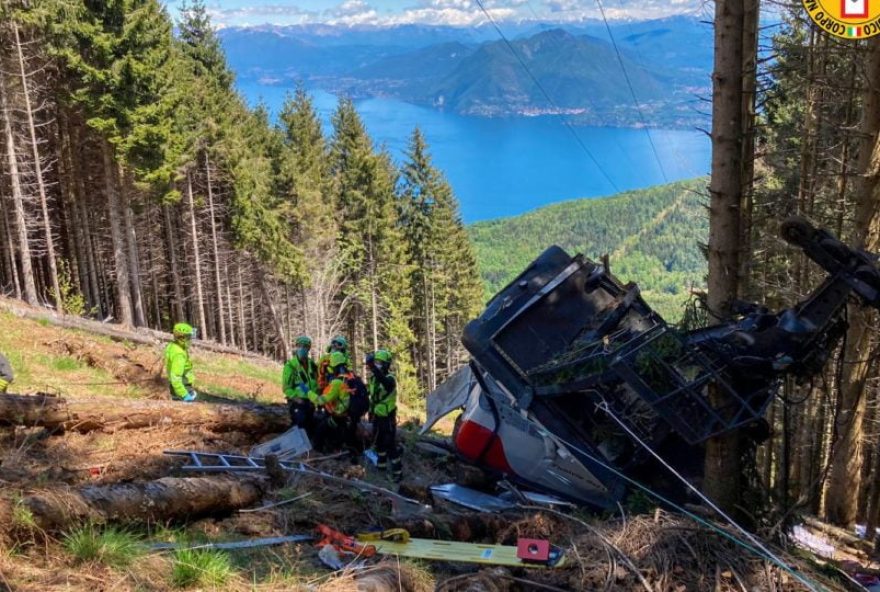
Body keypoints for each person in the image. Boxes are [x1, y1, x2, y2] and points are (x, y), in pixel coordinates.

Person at [313, 351, 368, 460]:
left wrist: (309, 393)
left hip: (340, 417)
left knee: (321, 429)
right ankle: (355, 453)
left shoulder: (337, 382)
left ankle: (318, 453)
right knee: (350, 438)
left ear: (333, 367)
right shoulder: (354, 378)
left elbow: (323, 400)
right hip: (353, 417)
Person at [366, 349, 402, 482]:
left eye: (380, 362)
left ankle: (397, 473)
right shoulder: (373, 379)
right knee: (379, 445)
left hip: (388, 418)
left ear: (386, 364)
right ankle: (381, 469)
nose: (377, 365)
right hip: (376, 417)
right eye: (376, 362)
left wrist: (372, 366)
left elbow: (385, 384)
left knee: (390, 446)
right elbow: (372, 396)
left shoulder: (389, 379)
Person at [282, 336, 319, 435]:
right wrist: (296, 398)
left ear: (309, 348)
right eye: (300, 346)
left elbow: (316, 381)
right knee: (299, 425)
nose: (302, 348)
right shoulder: (290, 366)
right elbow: (286, 388)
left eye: (305, 346)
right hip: (298, 402)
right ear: (296, 347)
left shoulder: (311, 364)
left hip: (310, 402)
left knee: (310, 427)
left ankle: (310, 448)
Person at [165, 322, 197, 402]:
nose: (190, 340)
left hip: (178, 387)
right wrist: (184, 395)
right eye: (189, 337)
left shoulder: (173, 346)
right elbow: (175, 376)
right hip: (183, 387)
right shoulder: (178, 354)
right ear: (182, 338)